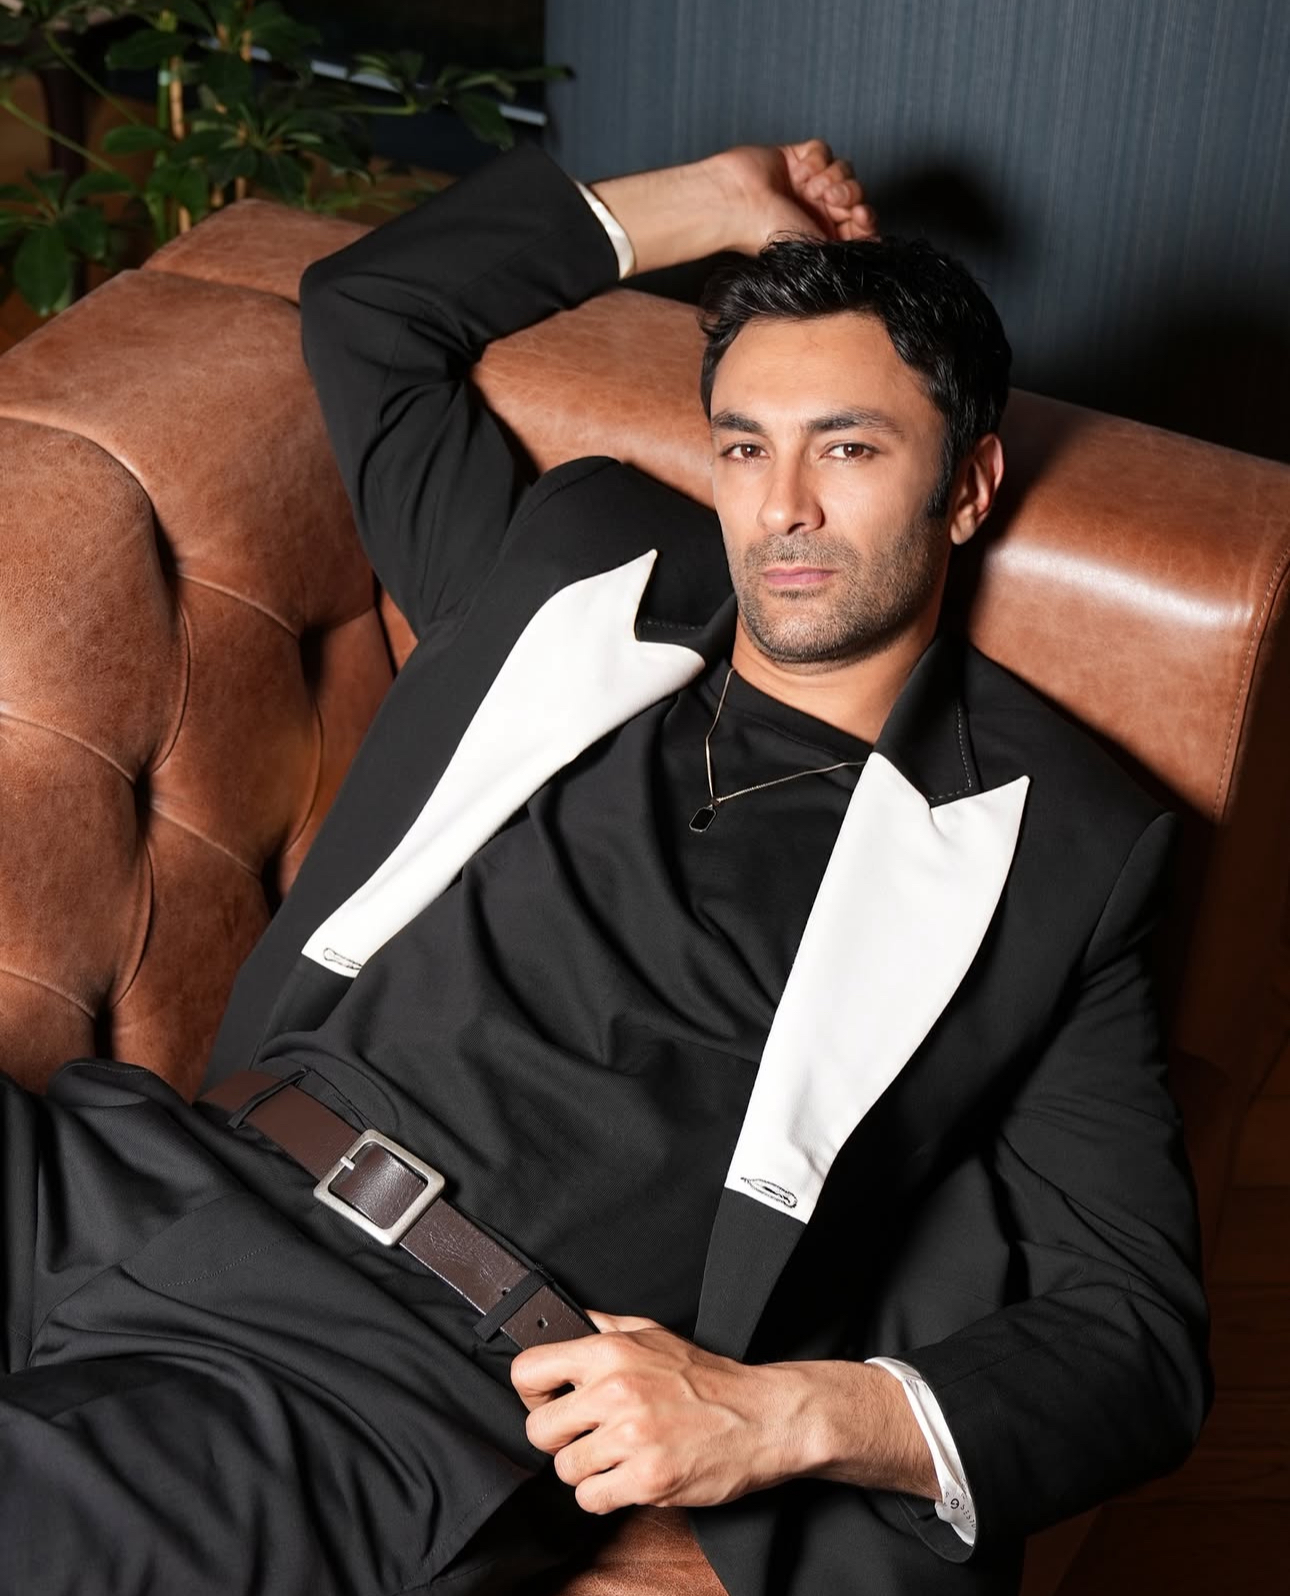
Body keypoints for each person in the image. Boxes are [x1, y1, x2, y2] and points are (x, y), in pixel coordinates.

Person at [0, 139, 1210, 1596]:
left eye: (847, 448)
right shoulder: (584, 564)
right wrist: (720, 203)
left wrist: (778, 1417)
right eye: (745, 447)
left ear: (966, 486)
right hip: (137, 1171)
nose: (783, 509)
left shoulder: (1055, 846)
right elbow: (372, 314)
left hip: (388, 1378)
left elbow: (1135, 1338)